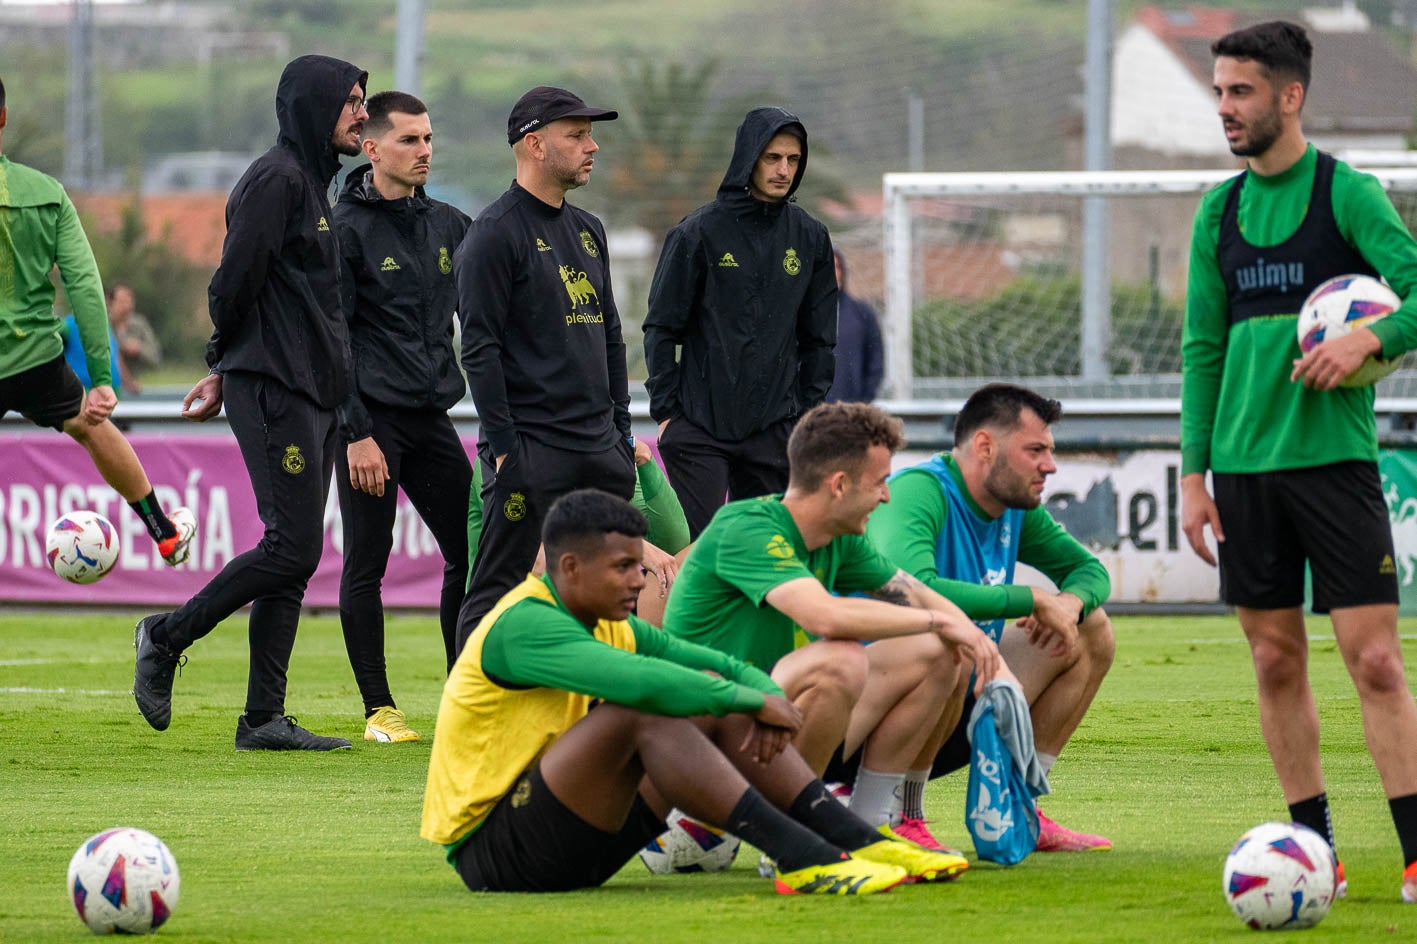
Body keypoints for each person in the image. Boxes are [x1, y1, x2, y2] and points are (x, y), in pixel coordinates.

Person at [422, 488, 968, 895]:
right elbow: (642, 682)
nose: (641, 580)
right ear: (569, 567)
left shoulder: (607, 620)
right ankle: (801, 855)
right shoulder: (524, 623)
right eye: (623, 568)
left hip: (583, 842)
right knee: (646, 710)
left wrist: (754, 687)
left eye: (639, 564)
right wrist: (752, 700)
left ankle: (860, 841)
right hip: (498, 854)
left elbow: (699, 661)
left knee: (705, 693)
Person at [1179, 20, 1417, 902]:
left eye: (1239, 92)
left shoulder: (1346, 195)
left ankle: (1416, 850)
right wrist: (1191, 477)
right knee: (1274, 660)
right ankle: (1314, 856)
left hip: (1334, 466)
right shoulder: (1218, 210)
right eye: (1217, 93)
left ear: (1289, 96)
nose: (1225, 110)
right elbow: (1202, 347)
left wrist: (1368, 339)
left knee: (1376, 662)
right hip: (1241, 474)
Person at [132, 54, 370, 752]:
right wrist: (223, 362)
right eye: (351, 100)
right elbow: (232, 283)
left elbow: (311, 306)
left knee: (295, 557)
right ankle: (165, 635)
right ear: (312, 107)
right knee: (292, 546)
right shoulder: (277, 180)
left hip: (311, 391)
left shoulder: (312, 184)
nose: (362, 112)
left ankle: (263, 717)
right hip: (274, 386)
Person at [662, 401, 1006, 844]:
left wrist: (982, 648)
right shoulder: (746, 527)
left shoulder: (840, 539)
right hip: (697, 744)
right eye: (880, 482)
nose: (887, 496)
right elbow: (824, 615)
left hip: (765, 727)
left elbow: (918, 593)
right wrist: (941, 620)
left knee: (938, 651)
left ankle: (867, 827)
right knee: (840, 659)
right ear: (839, 485)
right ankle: (793, 835)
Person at [865, 383, 1114, 851]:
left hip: (959, 699)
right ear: (985, 446)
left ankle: (1021, 806)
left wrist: (1068, 604)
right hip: (879, 716)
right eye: (1036, 450)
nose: (1051, 466)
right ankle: (901, 814)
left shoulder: (1015, 508)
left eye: (1050, 451)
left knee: (1091, 627)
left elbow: (1090, 570)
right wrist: (1029, 599)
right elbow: (914, 590)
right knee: (945, 641)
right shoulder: (920, 491)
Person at [453, 86, 638, 651]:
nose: (593, 147)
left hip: (597, 449)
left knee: (603, 595)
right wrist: (506, 447)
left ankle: (587, 717)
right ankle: (473, 726)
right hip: (531, 450)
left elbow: (609, 334)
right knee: (496, 592)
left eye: (590, 135)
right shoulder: (493, 233)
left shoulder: (589, 230)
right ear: (534, 145)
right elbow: (478, 349)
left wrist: (621, 430)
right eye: (577, 136)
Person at [0, 77, 194, 568]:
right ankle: (164, 532)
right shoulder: (45, 194)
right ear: (3, 119)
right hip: (32, 360)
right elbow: (86, 288)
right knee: (91, 423)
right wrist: (103, 381)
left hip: (30, 357)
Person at [332, 90, 473, 744]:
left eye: (428, 139)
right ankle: (379, 710)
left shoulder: (451, 226)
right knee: (369, 561)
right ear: (372, 147)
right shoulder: (343, 231)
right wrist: (356, 431)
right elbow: (328, 342)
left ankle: (465, 692)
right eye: (410, 140)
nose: (424, 151)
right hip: (370, 424)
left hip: (431, 418)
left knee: (473, 552)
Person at [643, 107, 837, 539]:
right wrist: (668, 415)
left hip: (775, 431)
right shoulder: (696, 233)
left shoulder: (810, 237)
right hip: (698, 427)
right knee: (700, 555)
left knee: (764, 555)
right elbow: (660, 329)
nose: (784, 170)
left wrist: (804, 418)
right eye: (772, 158)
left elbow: (820, 340)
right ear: (748, 157)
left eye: (793, 160)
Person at [825, 250, 883, 403]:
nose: (833, 272)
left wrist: (863, 402)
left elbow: (876, 362)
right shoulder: (804, 315)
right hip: (814, 414)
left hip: (851, 411)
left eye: (837, 267)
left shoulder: (862, 314)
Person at [106, 284, 162, 393]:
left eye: (129, 302)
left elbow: (156, 357)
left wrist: (139, 348)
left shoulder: (140, 325)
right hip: (110, 388)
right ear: (110, 303)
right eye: (122, 302)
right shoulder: (103, 325)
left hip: (141, 388)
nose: (126, 307)